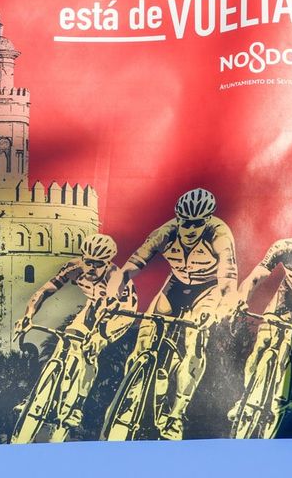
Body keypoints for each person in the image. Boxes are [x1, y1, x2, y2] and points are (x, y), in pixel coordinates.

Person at [113, 186, 238, 439]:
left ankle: (176, 415)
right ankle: (131, 396)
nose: (190, 229)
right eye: (185, 223)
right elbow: (128, 268)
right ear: (177, 219)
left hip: (208, 290)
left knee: (195, 344)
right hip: (176, 286)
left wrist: (220, 309)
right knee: (146, 336)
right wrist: (112, 293)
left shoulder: (220, 234)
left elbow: (227, 280)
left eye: (197, 223)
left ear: (207, 220)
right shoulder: (165, 233)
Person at [11, 233, 138, 442]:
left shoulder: (115, 277)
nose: (91, 268)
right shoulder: (74, 268)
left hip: (120, 312)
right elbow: (43, 291)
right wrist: (27, 316)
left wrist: (100, 337)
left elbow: (108, 311)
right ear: (83, 257)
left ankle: (77, 405)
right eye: (88, 262)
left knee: (91, 348)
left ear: (107, 263)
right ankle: (35, 395)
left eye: (98, 264)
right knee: (65, 340)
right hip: (94, 305)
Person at [229, 216, 292, 428]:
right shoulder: (283, 247)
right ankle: (245, 396)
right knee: (262, 343)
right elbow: (257, 275)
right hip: (288, 296)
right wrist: (241, 300)